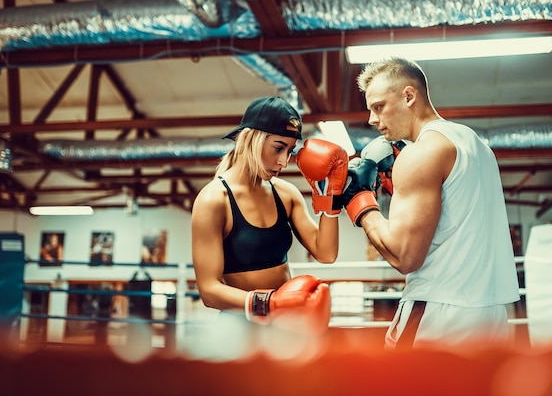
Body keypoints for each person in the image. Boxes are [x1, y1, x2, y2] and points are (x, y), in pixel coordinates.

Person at [343, 57, 520, 350]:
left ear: (409, 96)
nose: (372, 120)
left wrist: (361, 202)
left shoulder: (420, 154)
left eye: (378, 107)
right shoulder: (475, 144)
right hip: (491, 315)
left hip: (438, 313)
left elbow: (404, 256)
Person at [190, 96, 348, 335]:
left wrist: (330, 197)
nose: (284, 161)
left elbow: (326, 253)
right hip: (239, 327)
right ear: (251, 139)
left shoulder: (286, 193)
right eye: (278, 148)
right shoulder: (214, 200)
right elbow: (209, 291)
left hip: (286, 325)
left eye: (290, 151)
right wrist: (269, 304)